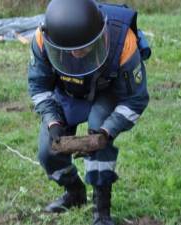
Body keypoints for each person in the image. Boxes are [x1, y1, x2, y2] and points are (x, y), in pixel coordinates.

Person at [28, 0, 151, 224]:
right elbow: (39, 87)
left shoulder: (123, 40)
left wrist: (107, 132)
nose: (78, 55)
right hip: (66, 94)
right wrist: (52, 122)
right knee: (48, 151)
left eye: (84, 48)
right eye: (70, 51)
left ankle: (101, 210)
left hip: (107, 90)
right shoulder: (43, 38)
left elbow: (135, 99)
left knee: (98, 133)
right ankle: (74, 192)